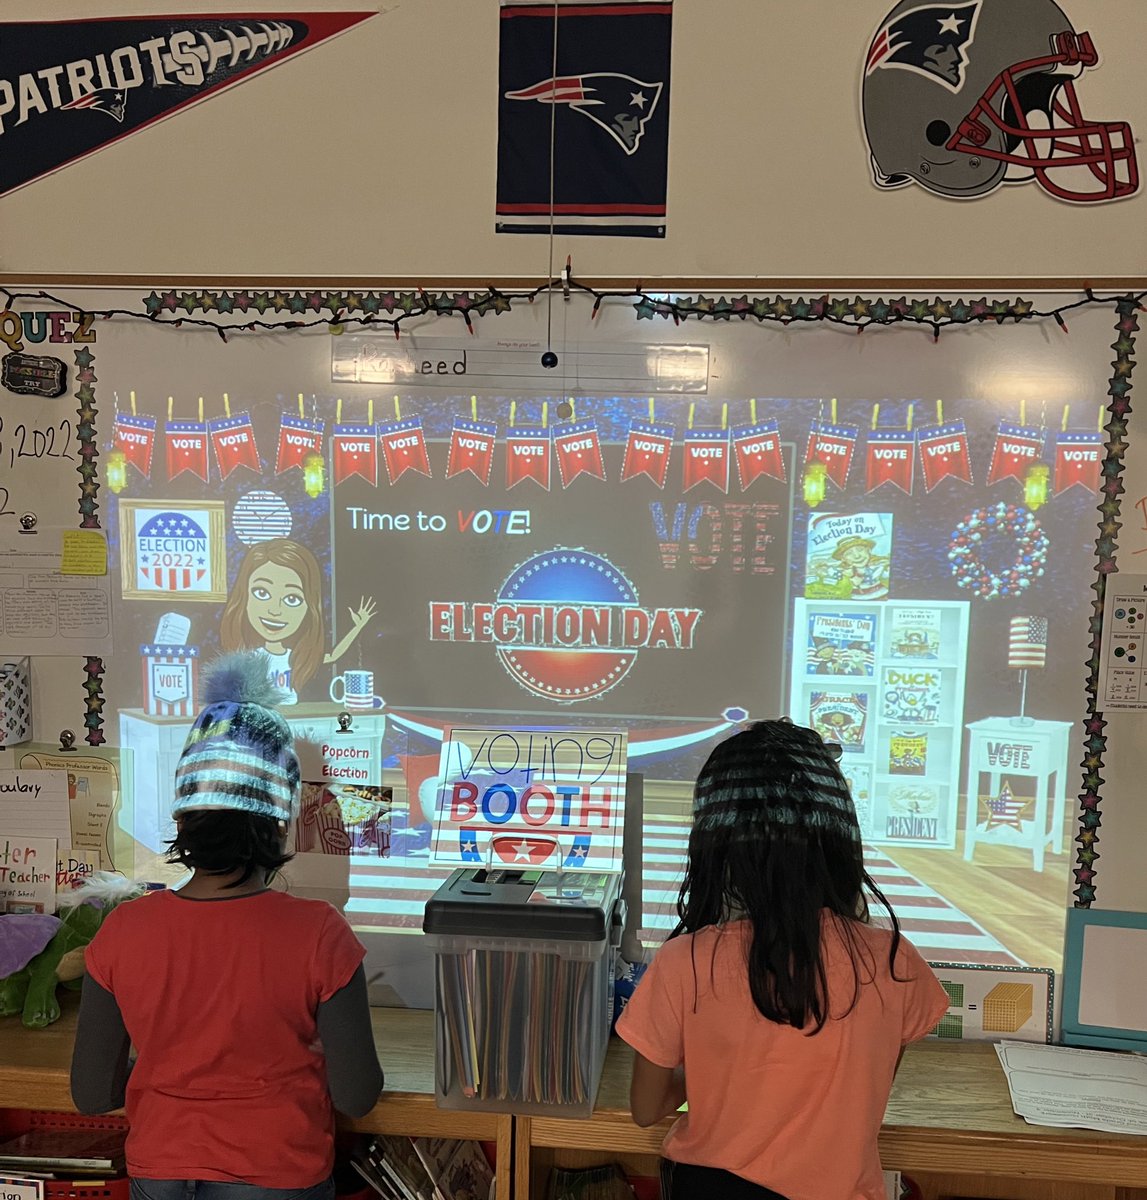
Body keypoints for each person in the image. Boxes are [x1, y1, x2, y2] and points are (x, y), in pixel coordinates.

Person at [70, 651, 384, 1200]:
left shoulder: (124, 930)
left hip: (160, 1170)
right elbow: (357, 1095)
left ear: (185, 816)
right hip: (279, 1172)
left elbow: (93, 1093)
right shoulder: (320, 933)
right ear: (279, 819)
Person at [616, 719, 948, 1200]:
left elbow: (646, 1108)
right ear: (837, 836)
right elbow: (864, 1089)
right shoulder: (894, 961)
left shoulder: (683, 962)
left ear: (717, 842)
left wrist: (711, 1073)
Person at [220, 538, 376, 703]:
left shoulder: (295, 657)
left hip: (295, 718)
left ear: (309, 608)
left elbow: (333, 655)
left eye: (292, 599)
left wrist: (357, 627)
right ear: (244, 597)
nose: (275, 610)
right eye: (262, 593)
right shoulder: (248, 658)